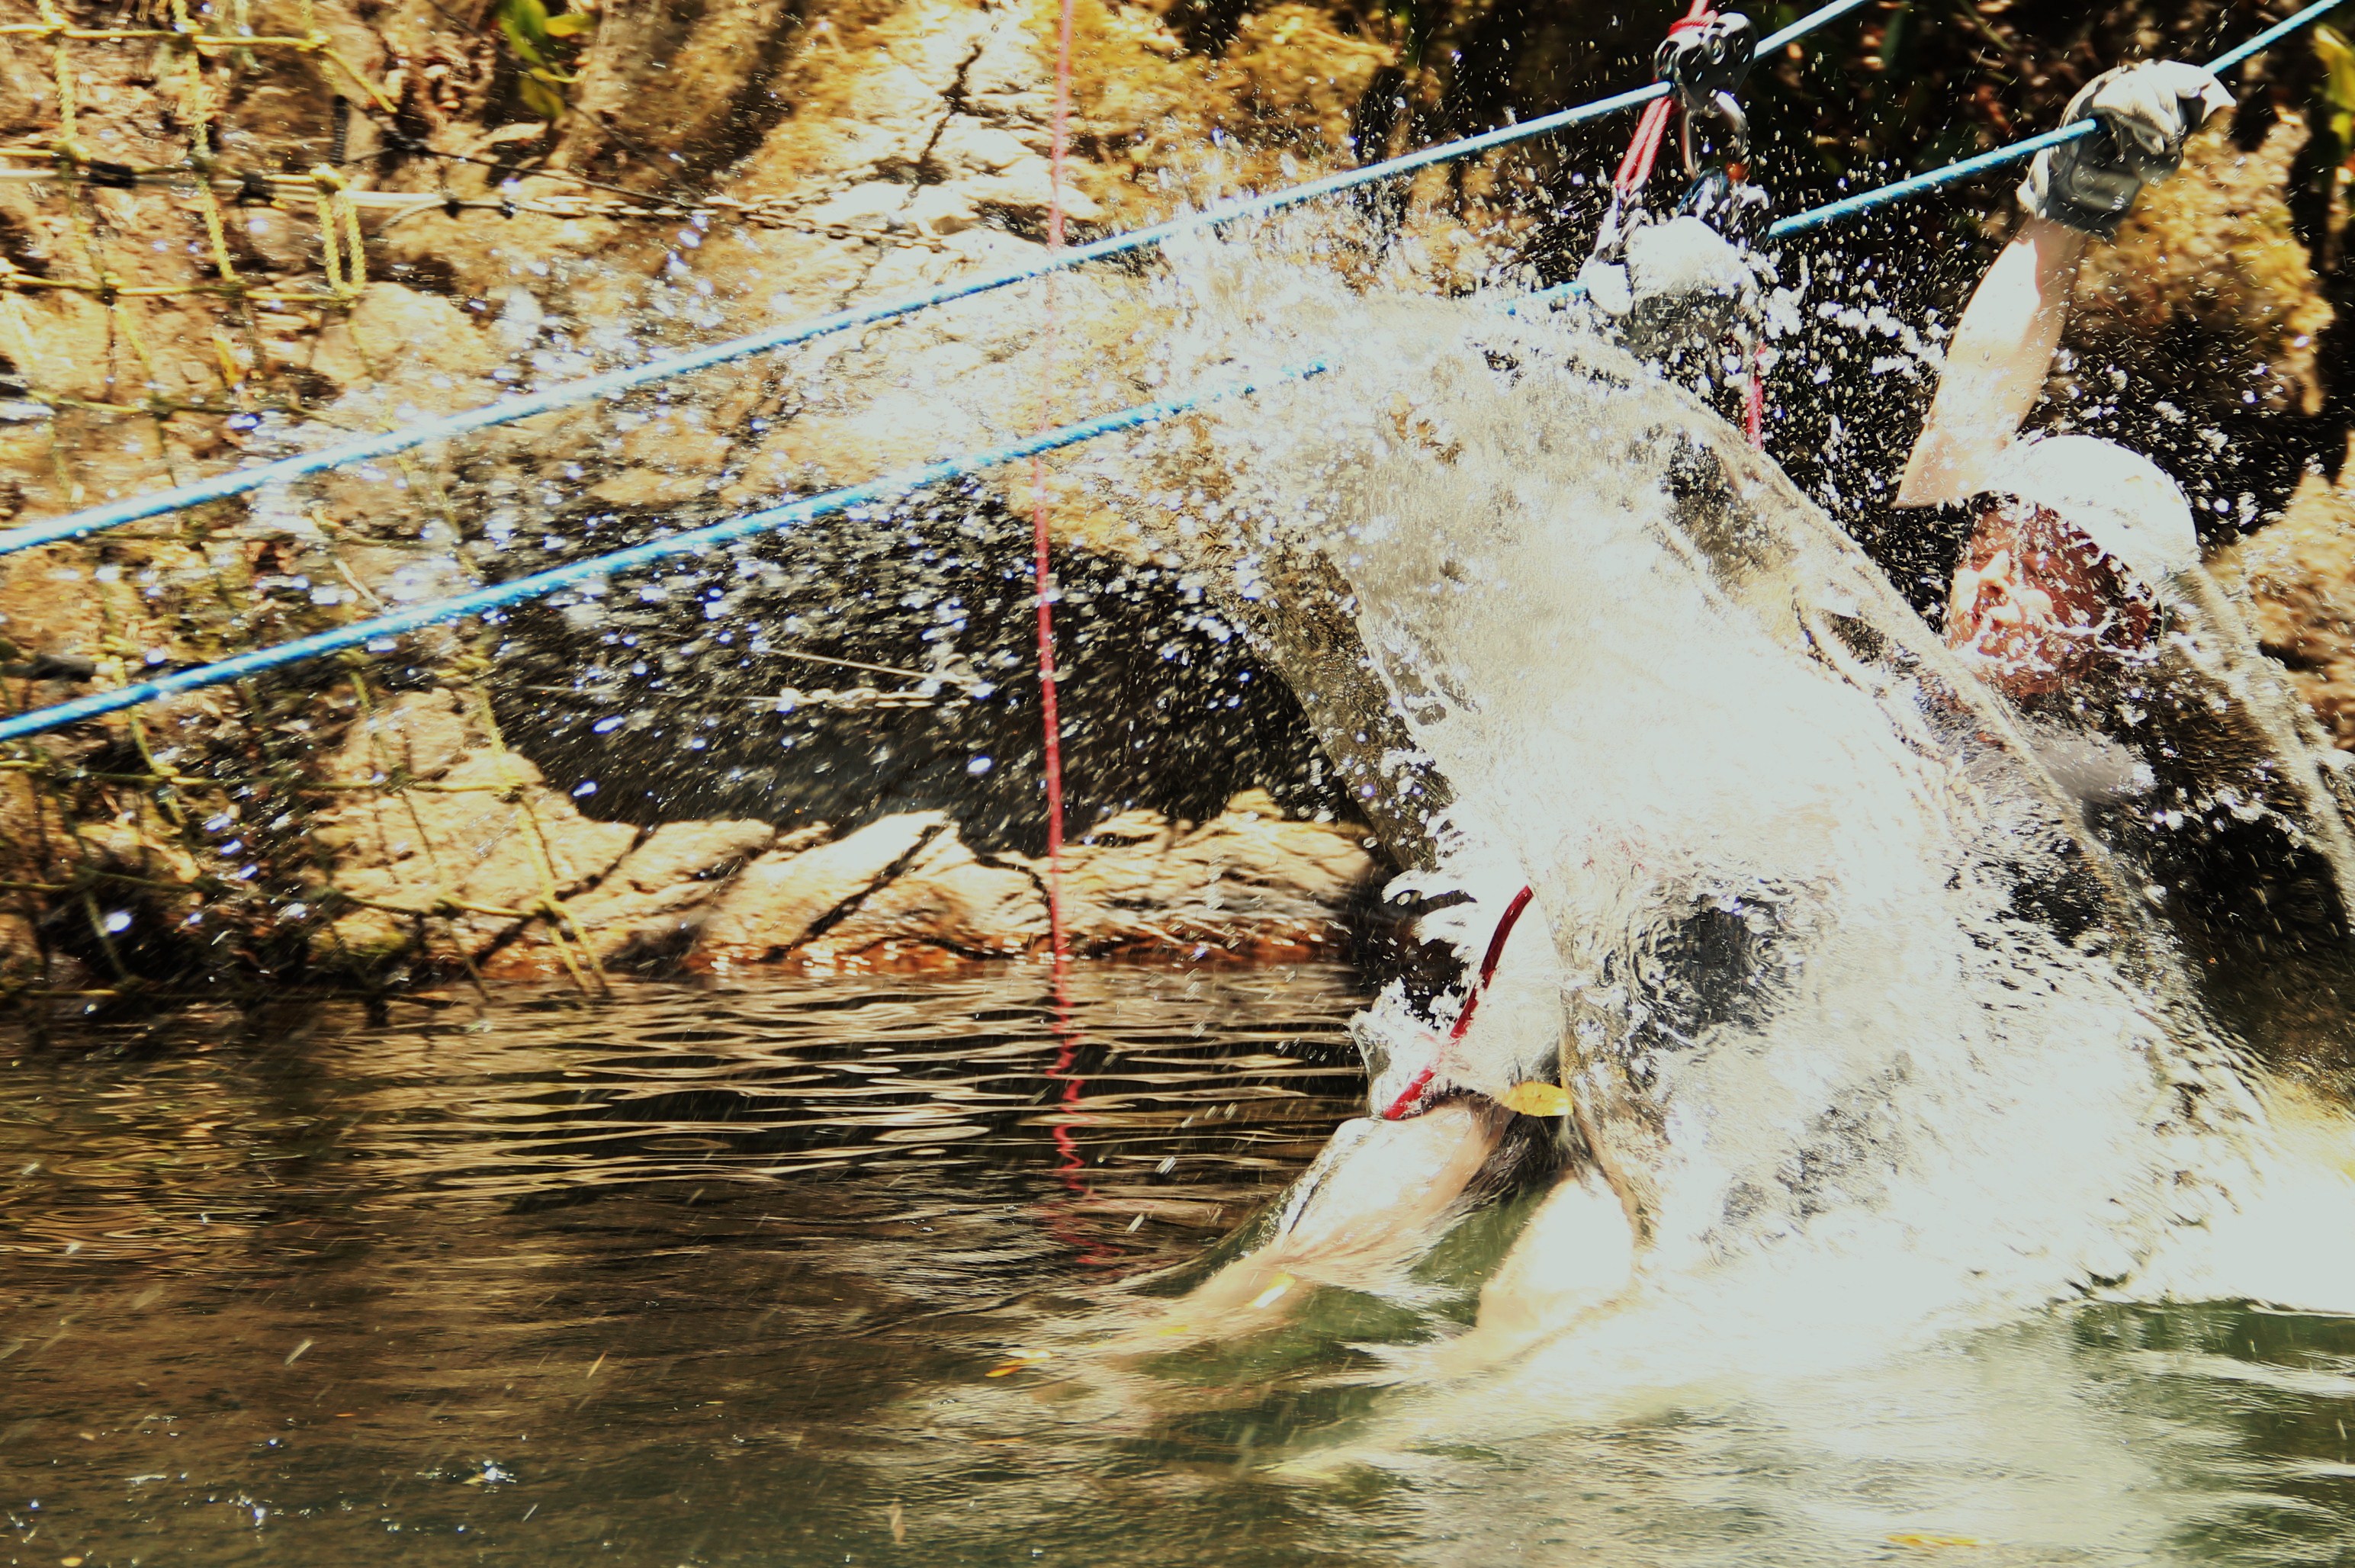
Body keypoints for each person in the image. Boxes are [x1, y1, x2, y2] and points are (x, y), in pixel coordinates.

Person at [1896, 60, 2236, 702]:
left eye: (2038, 568)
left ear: (2125, 628)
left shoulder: (2090, 766)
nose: (1990, 578)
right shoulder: (1889, 617)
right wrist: (2065, 213)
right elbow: (1965, 416)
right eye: (1981, 550)